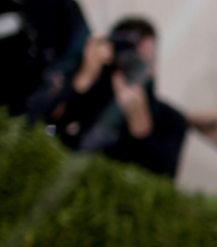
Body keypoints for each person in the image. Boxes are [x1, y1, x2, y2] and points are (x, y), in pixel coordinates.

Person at [49, 16, 187, 180]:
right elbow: (42, 126)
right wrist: (84, 77)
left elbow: (159, 187)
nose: (138, 65)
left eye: (148, 58)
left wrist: (140, 124)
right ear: (112, 54)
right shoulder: (85, 98)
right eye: (131, 55)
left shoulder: (171, 121)